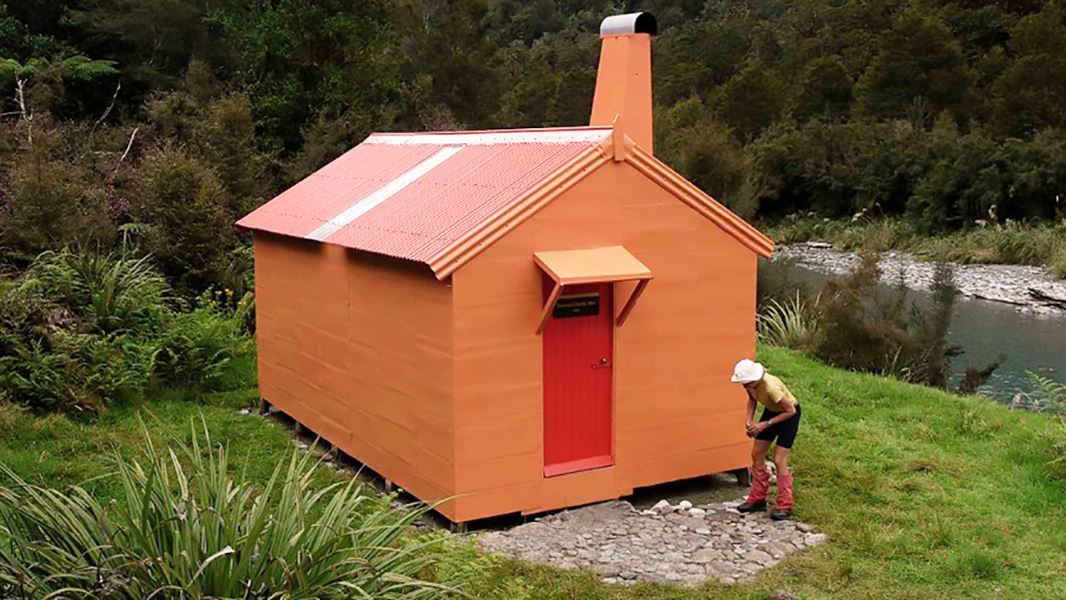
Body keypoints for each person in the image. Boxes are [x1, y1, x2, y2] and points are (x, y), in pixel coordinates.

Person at [730, 358, 801, 520]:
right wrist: (749, 421)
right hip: (772, 411)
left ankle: (785, 504)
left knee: (779, 459)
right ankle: (758, 498)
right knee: (757, 454)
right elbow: (752, 400)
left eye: (746, 383)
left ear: (755, 379)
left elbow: (791, 411)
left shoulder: (771, 387)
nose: (744, 386)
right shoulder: (750, 385)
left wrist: (765, 424)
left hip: (788, 415)